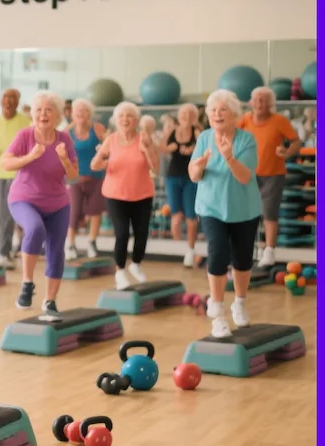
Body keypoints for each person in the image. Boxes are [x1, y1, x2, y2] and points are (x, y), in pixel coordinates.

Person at [190, 90, 262, 338]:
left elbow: (244, 177)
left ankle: (239, 303)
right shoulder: (204, 139)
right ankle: (217, 312)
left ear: (234, 115)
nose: (216, 114)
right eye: (212, 110)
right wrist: (197, 167)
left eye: (222, 110)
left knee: (242, 259)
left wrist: (229, 157)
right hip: (211, 208)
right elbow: (193, 174)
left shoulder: (246, 140)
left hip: (244, 209)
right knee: (217, 251)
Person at [0, 92, 79, 313]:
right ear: (33, 114)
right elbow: (6, 163)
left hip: (57, 202)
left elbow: (73, 176)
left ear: (57, 115)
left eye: (48, 110)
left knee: (56, 250)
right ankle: (27, 283)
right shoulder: (25, 136)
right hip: (24, 198)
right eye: (38, 110)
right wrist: (30, 157)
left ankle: (50, 300)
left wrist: (63, 158)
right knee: (34, 229)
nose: (43, 114)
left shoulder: (64, 139)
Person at [90, 101, 160, 290]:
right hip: (115, 195)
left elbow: (156, 167)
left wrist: (147, 149)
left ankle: (136, 264)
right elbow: (94, 166)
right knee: (122, 233)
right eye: (121, 116)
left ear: (136, 120)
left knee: (142, 233)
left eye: (129, 116)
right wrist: (101, 161)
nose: (125, 119)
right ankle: (120, 271)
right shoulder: (111, 140)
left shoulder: (144, 139)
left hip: (142, 194)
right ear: (116, 120)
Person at [237, 87, 302, 267]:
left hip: (273, 175)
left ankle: (269, 251)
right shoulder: (244, 120)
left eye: (264, 100)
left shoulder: (279, 121)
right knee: (247, 214)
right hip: (249, 174)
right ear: (251, 102)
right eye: (256, 99)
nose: (259, 103)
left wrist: (287, 152)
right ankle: (246, 250)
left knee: (269, 213)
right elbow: (232, 139)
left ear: (271, 104)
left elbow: (296, 141)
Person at [0, 89, 31, 268]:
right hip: (0, 175)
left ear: (18, 102)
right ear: (0, 101)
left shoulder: (25, 121)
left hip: (21, 175)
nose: (9, 102)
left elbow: (33, 142)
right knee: (3, 216)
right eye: (6, 98)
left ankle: (16, 250)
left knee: (20, 217)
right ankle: (2, 252)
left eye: (13, 99)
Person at [65, 99, 107, 260]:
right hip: (75, 179)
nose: (80, 114)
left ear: (89, 113)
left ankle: (91, 242)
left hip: (96, 178)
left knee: (95, 211)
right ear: (73, 114)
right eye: (77, 111)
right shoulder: (67, 131)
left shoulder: (97, 129)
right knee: (74, 211)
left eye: (84, 110)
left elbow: (108, 147)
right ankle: (71, 244)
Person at [162, 103, 202, 267]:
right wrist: (171, 147)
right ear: (179, 116)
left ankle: (190, 250)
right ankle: (180, 249)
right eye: (183, 114)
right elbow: (161, 147)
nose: (186, 117)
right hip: (173, 177)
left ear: (194, 117)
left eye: (189, 114)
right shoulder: (172, 131)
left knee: (191, 217)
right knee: (176, 217)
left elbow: (205, 150)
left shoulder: (197, 132)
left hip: (190, 178)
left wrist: (194, 150)